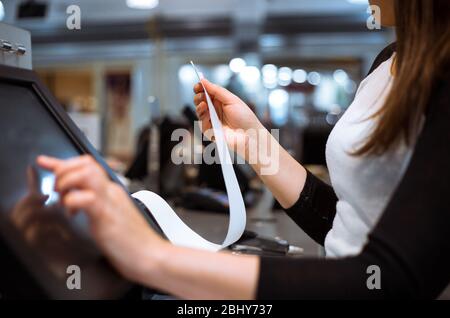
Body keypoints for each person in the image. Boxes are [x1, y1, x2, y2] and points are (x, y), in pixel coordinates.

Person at [37, 0, 450, 299]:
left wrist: (151, 257)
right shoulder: (388, 62)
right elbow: (347, 222)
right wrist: (252, 139)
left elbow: (393, 277)